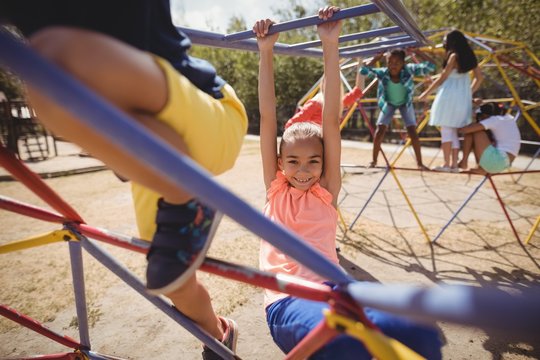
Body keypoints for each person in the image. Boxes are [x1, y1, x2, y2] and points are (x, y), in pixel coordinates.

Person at [0, 1, 246, 358]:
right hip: (153, 157)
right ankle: (217, 335)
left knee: (53, 62)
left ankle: (188, 192)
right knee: (172, 281)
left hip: (206, 116)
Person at [254, 7, 442, 359]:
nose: (304, 170)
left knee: (419, 335)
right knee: (342, 346)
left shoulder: (327, 191)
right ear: (280, 163)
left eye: (314, 161)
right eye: (292, 162)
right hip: (288, 299)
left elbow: (330, 120)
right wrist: (266, 51)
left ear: (325, 163)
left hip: (337, 287)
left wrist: (331, 42)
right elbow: (267, 117)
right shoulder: (275, 187)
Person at [419, 29, 483, 173]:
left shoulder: (453, 56)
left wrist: (427, 92)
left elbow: (443, 77)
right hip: (461, 100)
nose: (444, 42)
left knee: (446, 131)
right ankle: (454, 165)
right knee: (453, 131)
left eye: (445, 40)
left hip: (448, 97)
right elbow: (479, 78)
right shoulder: (469, 57)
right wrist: (468, 93)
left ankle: (447, 164)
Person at [360, 49, 435, 169]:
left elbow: (431, 66)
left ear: (403, 63)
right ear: (387, 62)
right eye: (390, 62)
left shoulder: (409, 70)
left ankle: (420, 163)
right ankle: (373, 161)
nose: (393, 65)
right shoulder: (383, 72)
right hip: (388, 103)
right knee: (380, 130)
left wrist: (418, 52)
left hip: (405, 103)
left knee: (412, 132)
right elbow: (363, 71)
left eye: (397, 62)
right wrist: (376, 59)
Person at [284, 59, 364, 129]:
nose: (333, 87)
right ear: (323, 85)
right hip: (314, 141)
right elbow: (290, 124)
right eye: (331, 83)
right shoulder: (316, 103)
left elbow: (358, 91)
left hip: (326, 141)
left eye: (336, 84)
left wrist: (360, 62)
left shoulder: (337, 102)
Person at [458, 102, 520, 174]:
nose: (481, 119)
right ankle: (479, 167)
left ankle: (464, 162)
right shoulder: (508, 118)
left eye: (481, 116)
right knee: (476, 129)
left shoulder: (494, 120)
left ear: (486, 115)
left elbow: (463, 130)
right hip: (504, 163)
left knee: (474, 130)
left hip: (497, 161)